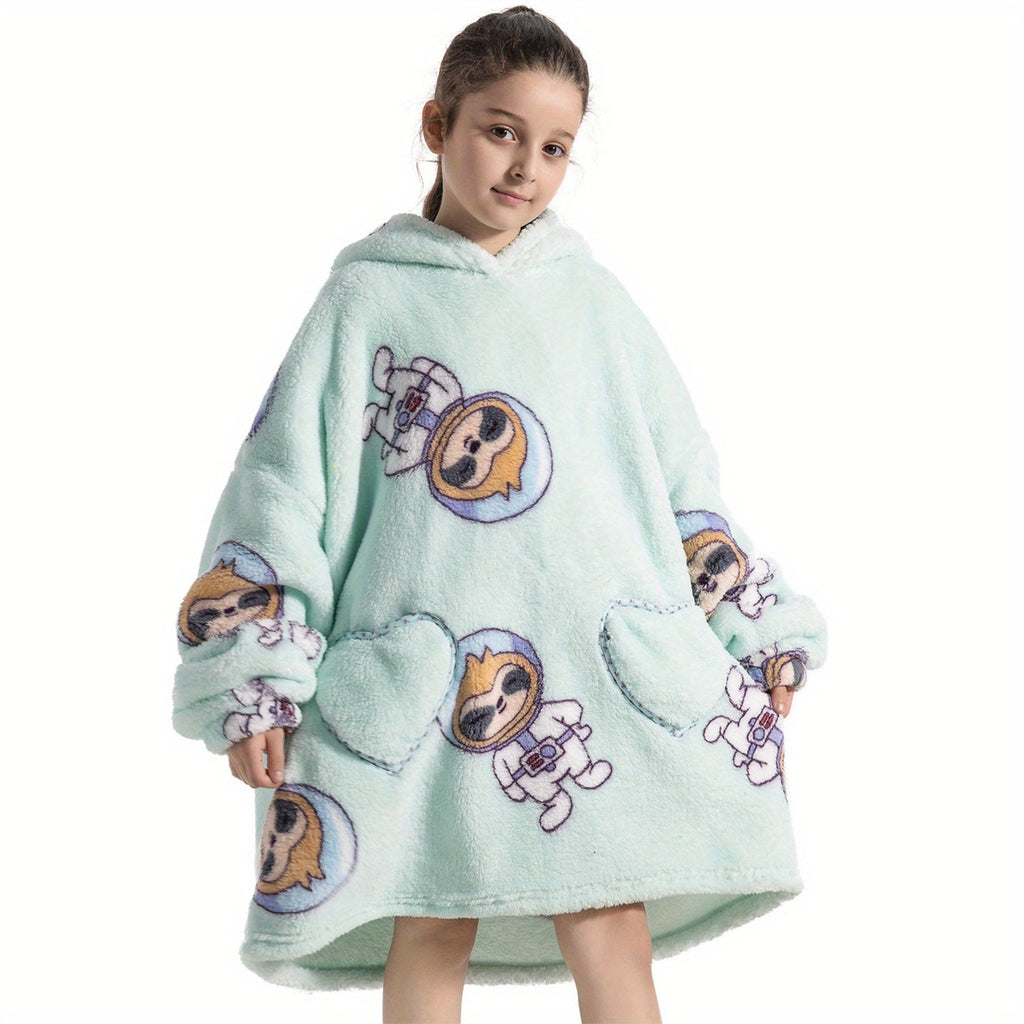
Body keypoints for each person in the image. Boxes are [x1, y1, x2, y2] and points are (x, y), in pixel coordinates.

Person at [172, 6, 827, 1023]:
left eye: (555, 147)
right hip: (427, 678)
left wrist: (753, 622)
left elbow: (681, 480)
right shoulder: (364, 303)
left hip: (595, 673)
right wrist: (253, 678)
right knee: (431, 918)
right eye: (501, 130)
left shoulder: (595, 305)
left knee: (610, 920)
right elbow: (282, 490)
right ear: (437, 125)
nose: (526, 167)